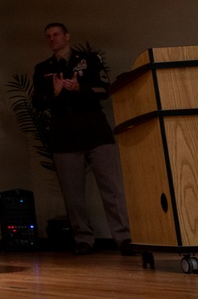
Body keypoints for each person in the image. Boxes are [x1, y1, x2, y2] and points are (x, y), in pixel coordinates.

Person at [32, 23, 132, 255]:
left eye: (56, 34)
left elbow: (104, 89)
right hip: (64, 136)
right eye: (48, 36)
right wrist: (55, 93)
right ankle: (84, 239)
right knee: (73, 193)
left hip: (95, 132)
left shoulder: (89, 59)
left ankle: (124, 237)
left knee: (112, 188)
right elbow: (38, 102)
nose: (52, 39)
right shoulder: (43, 68)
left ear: (67, 36)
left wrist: (79, 88)